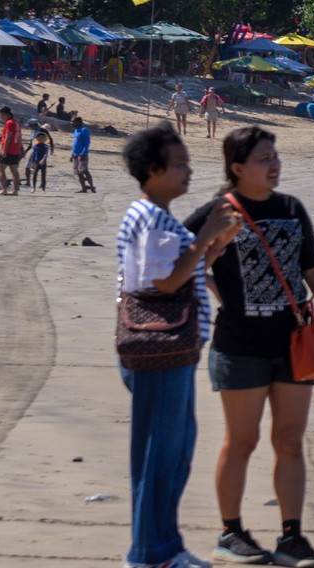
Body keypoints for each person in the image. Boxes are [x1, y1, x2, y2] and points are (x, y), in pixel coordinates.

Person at [184, 126, 314, 568]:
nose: (274, 165)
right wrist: (215, 277)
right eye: (263, 159)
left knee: (290, 441)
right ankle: (230, 533)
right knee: (242, 441)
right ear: (237, 168)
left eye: (275, 156)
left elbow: (311, 269)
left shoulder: (292, 208)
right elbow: (178, 261)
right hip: (239, 344)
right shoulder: (218, 212)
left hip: (295, 341)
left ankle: (291, 538)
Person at [116, 126, 240, 568]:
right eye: (180, 164)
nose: (189, 172)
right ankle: (150, 554)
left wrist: (213, 244)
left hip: (170, 349)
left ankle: (164, 546)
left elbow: (182, 270)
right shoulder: (149, 217)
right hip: (158, 348)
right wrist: (206, 233)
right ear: (153, 171)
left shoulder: (156, 216)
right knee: (159, 455)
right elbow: (164, 282)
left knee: (174, 451)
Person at [0, 105, 23, 195]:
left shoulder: (9, 123)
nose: (1, 117)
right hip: (16, 150)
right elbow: (20, 136)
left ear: (5, 114)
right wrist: (20, 147)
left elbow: (8, 137)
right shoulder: (16, 122)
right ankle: (15, 191)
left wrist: (4, 150)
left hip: (8, 150)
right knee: (14, 171)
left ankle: (4, 190)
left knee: (1, 169)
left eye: (1, 115)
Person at [70, 115, 97, 193]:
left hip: (83, 155)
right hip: (75, 154)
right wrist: (72, 154)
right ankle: (84, 188)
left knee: (84, 171)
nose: (72, 123)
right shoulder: (75, 131)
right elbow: (75, 143)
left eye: (73, 122)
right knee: (78, 172)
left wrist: (83, 152)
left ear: (78, 122)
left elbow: (87, 142)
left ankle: (92, 187)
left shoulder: (84, 130)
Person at [28, 125, 53, 191]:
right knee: (35, 175)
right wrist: (32, 164)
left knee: (43, 175)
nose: (40, 139)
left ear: (44, 139)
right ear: (37, 139)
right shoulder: (35, 146)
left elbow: (46, 154)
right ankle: (34, 188)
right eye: (39, 138)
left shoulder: (45, 147)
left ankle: (43, 189)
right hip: (36, 162)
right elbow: (33, 155)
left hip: (43, 162)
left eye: (42, 138)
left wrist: (43, 160)